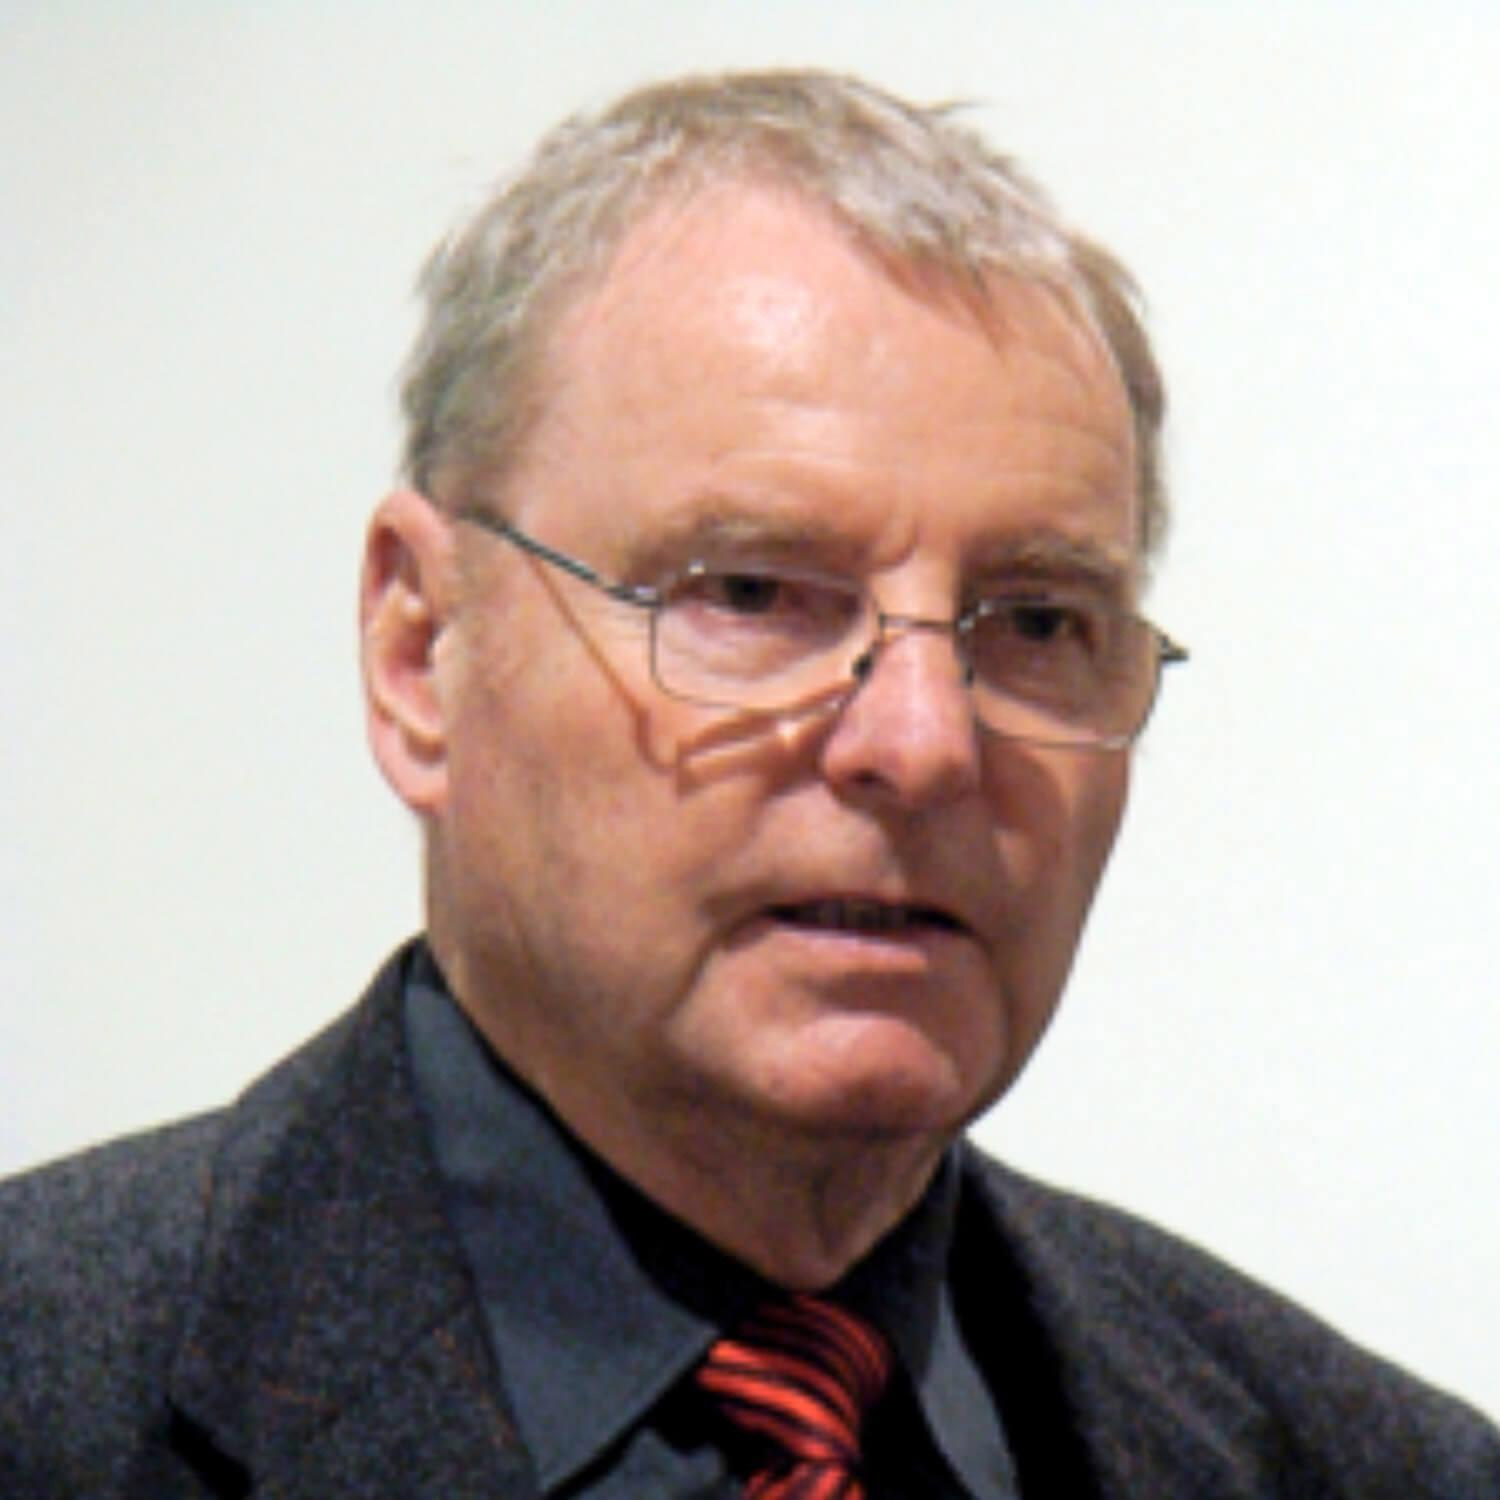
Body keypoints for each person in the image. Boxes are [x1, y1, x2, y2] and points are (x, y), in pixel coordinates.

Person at [1, 68, 1494, 1499]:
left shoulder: (1371, 1468)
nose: (921, 743)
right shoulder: (48, 1403)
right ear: (420, 654)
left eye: (1039, 622)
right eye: (755, 593)